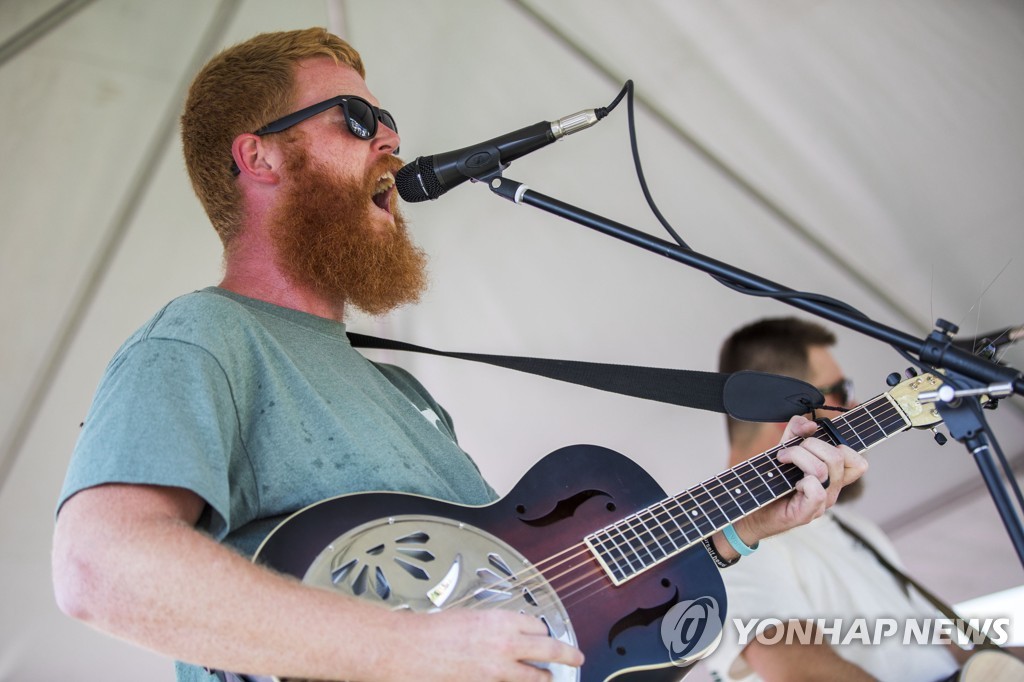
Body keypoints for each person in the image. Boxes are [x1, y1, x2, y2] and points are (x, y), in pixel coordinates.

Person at [51, 28, 866, 682]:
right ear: (258, 156)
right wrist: (410, 652)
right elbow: (100, 567)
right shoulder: (203, 336)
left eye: (389, 119)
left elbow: (540, 593)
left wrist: (734, 529)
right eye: (357, 119)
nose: (394, 139)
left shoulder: (402, 393)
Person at [704, 317, 965, 682]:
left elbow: (945, 651)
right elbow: (804, 675)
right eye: (843, 391)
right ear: (786, 411)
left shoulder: (858, 528)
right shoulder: (726, 539)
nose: (856, 404)